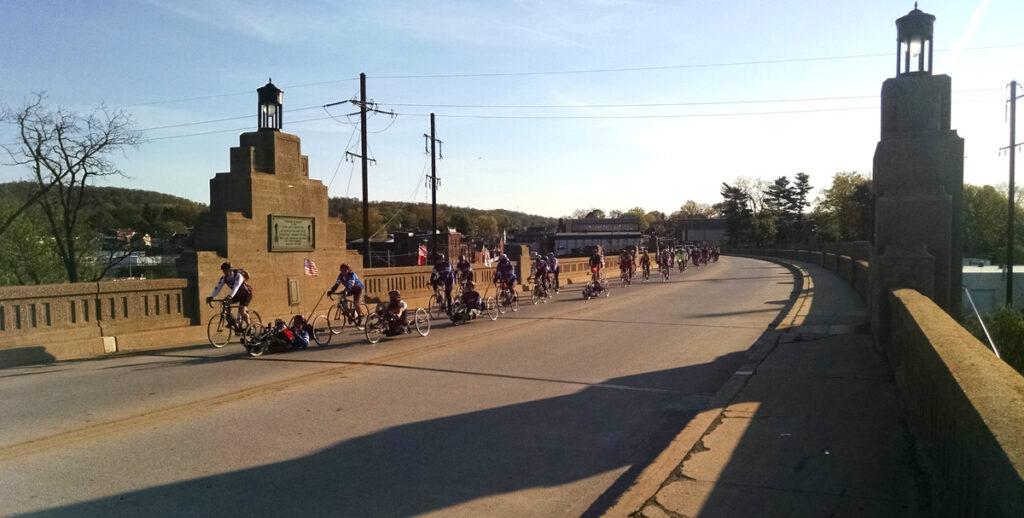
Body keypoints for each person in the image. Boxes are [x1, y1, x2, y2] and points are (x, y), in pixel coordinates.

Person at [207, 261, 252, 330]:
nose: (224, 272)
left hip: (246, 294)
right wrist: (211, 297)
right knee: (224, 304)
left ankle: (250, 326)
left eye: (225, 270)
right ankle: (232, 321)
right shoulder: (224, 278)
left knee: (241, 311)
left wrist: (230, 296)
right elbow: (218, 287)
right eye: (223, 271)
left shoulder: (238, 276)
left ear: (230, 269)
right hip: (236, 295)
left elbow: (236, 287)